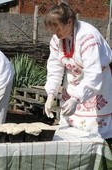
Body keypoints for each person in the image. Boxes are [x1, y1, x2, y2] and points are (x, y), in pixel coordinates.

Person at [44, 2, 112, 141]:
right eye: (53, 30)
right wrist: (51, 93)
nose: (56, 33)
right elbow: (54, 67)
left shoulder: (88, 37)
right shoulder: (57, 39)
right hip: (73, 81)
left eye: (58, 28)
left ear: (69, 22)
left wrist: (76, 99)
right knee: (69, 127)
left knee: (94, 131)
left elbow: (93, 73)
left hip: (96, 83)